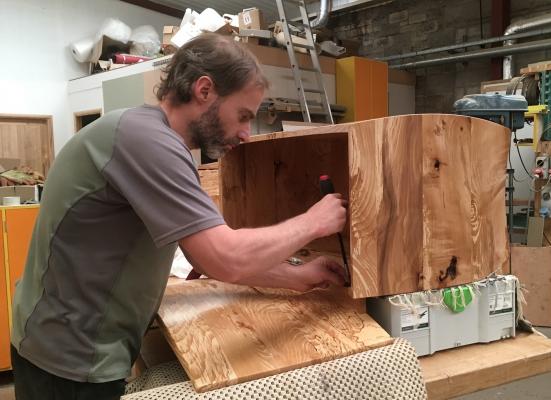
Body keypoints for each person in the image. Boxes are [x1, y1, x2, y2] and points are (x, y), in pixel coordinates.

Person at [11, 33, 347, 400]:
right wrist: (314, 222)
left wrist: (295, 277)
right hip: (68, 361)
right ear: (205, 90)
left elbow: (202, 254)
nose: (246, 134)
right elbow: (225, 256)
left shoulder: (153, 139)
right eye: (243, 116)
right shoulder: (148, 141)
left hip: (64, 343)